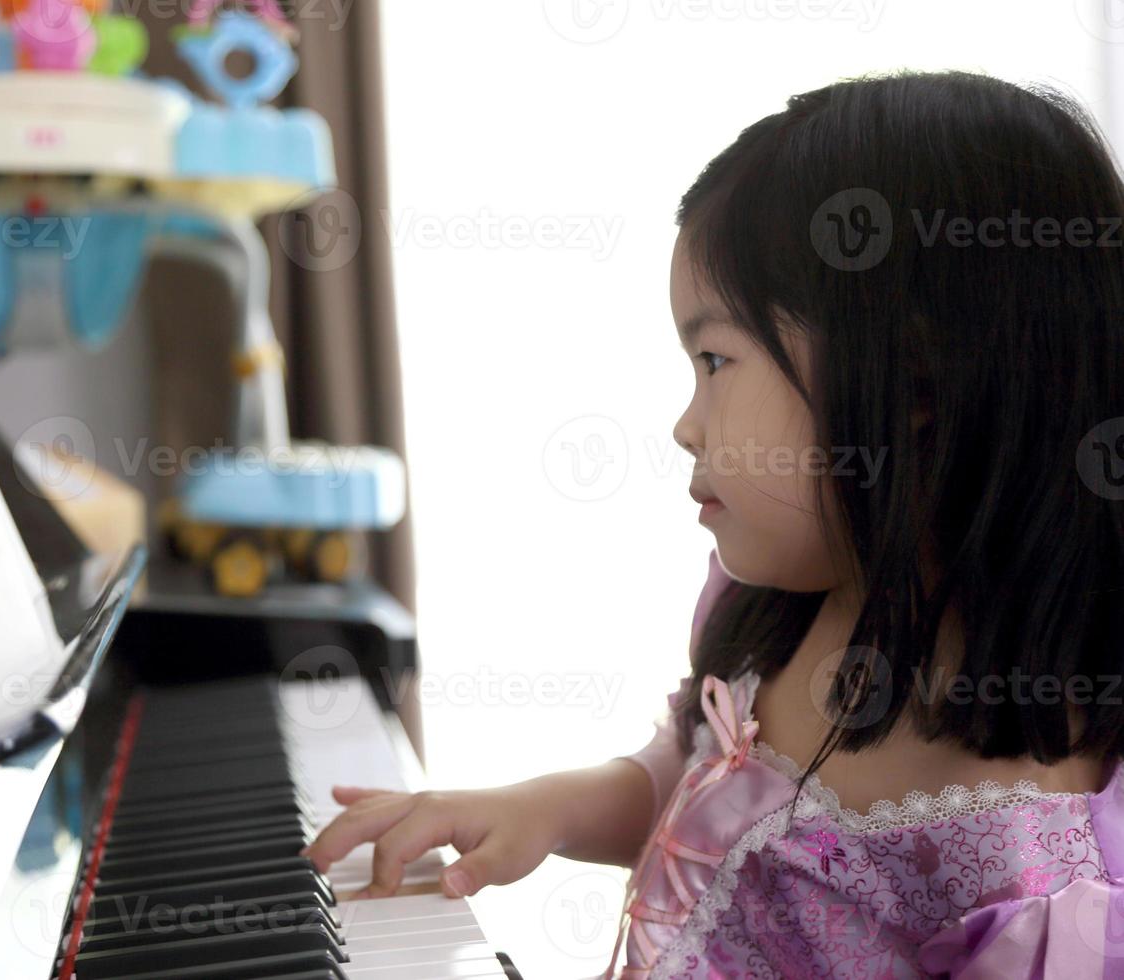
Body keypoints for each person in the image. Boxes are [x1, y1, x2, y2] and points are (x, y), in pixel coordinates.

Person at [302, 71, 1124, 977]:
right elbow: (699, 784)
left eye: (715, 359)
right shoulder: (776, 606)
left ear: (916, 382)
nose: (684, 424)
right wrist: (545, 807)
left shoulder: (1031, 862)